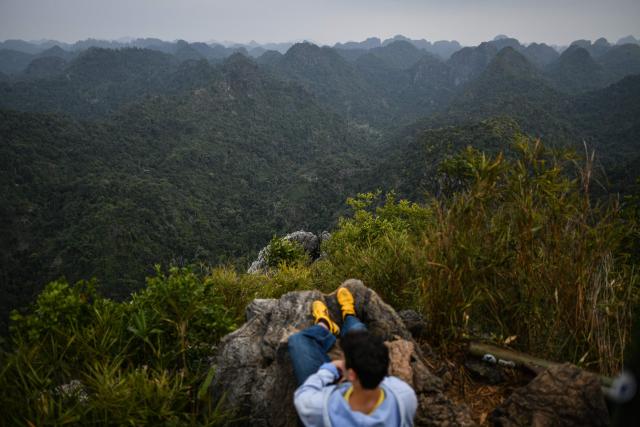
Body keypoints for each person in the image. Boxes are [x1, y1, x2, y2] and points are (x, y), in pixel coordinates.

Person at [288, 287, 418, 426]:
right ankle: (349, 314)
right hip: (364, 382)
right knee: (360, 336)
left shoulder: (321, 408)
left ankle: (324, 325)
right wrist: (367, 363)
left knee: (299, 340)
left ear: (351, 374)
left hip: (334, 389)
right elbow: (385, 379)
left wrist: (329, 370)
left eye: (344, 359)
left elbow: (304, 394)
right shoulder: (404, 397)